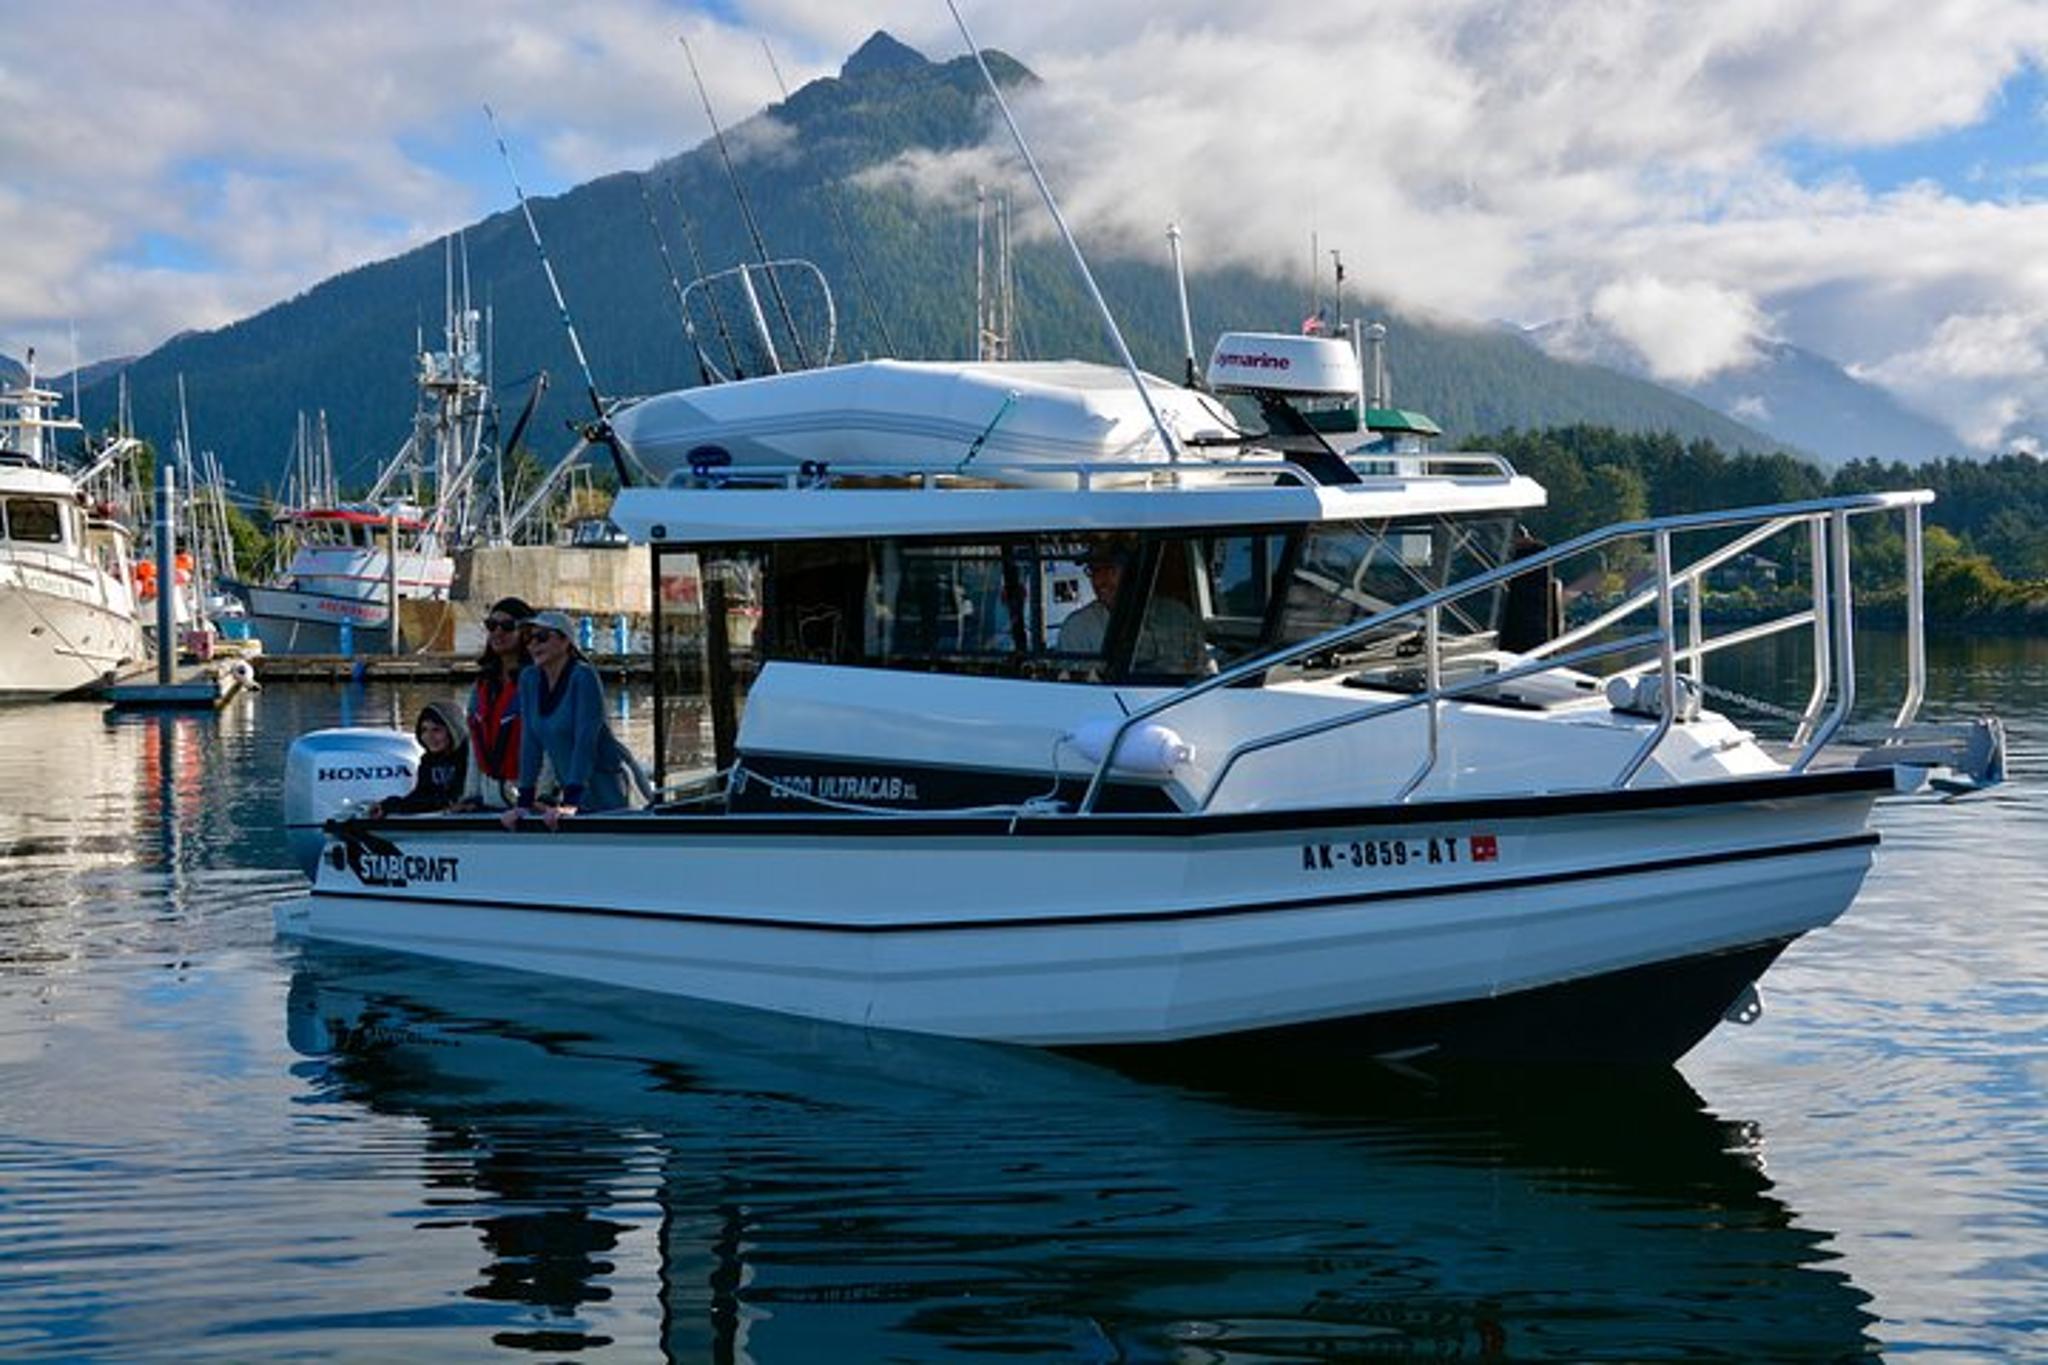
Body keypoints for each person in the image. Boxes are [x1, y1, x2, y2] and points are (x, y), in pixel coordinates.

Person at [499, 611, 638, 831]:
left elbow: (586, 741)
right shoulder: (529, 679)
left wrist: (571, 802)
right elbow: (530, 743)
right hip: (573, 790)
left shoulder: (583, 676)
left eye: (542, 637)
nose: (533, 644)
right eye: (528, 638)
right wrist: (523, 804)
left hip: (606, 787)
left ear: (565, 641)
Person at [1056, 541, 1206, 676]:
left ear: (1134, 570)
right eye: (1094, 571)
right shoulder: (1077, 627)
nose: (1100, 581)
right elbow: (1074, 686)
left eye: (1110, 569)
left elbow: (1203, 669)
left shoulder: (1177, 614)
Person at [454, 596, 535, 811]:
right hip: (491, 798)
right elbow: (474, 745)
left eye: (507, 626)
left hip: (528, 798)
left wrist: (544, 797)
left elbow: (549, 744)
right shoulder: (483, 684)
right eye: (491, 626)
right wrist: (471, 796)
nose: (497, 632)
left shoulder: (538, 680)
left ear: (525, 632)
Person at [367, 702, 468, 817]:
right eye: (424, 730)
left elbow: (455, 797)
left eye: (436, 730)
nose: (429, 736)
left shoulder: (470, 759)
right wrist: (386, 806)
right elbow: (421, 795)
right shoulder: (428, 761)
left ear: (453, 730)